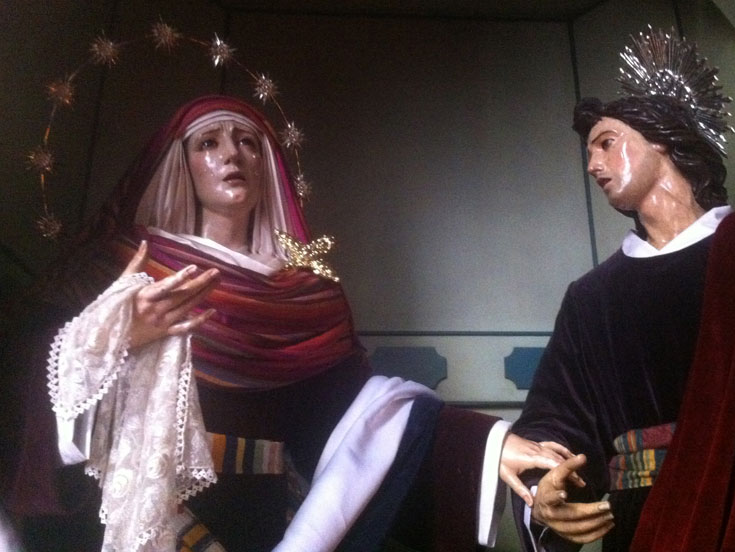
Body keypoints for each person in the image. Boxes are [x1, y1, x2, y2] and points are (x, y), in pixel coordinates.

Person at [1, 95, 568, 552]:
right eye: (209, 142)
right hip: (143, 509)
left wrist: (488, 447)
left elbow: (364, 420)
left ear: (267, 164)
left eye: (248, 142)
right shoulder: (120, 268)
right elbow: (26, 374)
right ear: (180, 163)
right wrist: (115, 337)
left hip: (267, 519)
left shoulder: (309, 298)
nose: (232, 154)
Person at [500, 29, 735, 551]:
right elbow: (558, 415)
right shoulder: (593, 298)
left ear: (662, 138)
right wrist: (545, 487)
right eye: (589, 152)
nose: (592, 165)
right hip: (645, 524)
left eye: (606, 143)